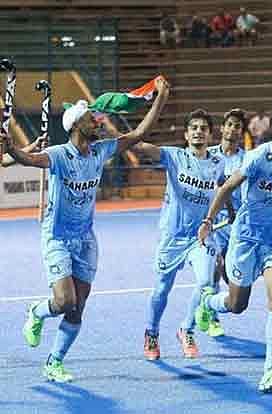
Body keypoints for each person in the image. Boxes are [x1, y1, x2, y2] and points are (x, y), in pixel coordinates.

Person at [14, 78, 170, 382]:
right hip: (57, 237)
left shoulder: (101, 150)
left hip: (85, 239)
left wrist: (160, 98)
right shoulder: (59, 155)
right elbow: (29, 159)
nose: (97, 122)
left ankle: (54, 361)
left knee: (78, 307)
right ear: (75, 125)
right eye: (90, 119)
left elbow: (138, 134)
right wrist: (11, 148)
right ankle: (37, 312)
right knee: (64, 301)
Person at [193, 103, 272, 393]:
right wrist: (207, 221)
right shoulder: (259, 157)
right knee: (237, 304)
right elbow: (226, 188)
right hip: (246, 237)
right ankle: (209, 302)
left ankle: (271, 370)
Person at [134, 108, 227, 361]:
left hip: (201, 236)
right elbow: (142, 147)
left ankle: (187, 329)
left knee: (206, 283)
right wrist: (118, 135)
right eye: (194, 128)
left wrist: (230, 211)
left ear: (210, 135)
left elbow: (224, 188)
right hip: (173, 236)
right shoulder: (174, 156)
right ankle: (152, 332)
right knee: (162, 289)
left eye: (203, 128)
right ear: (186, 134)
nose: (198, 132)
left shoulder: (218, 163)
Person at [205, 108, 247, 337]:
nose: (232, 129)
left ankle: (212, 302)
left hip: (237, 224)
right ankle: (211, 317)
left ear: (241, 132)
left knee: (230, 278)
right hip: (214, 223)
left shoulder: (246, 158)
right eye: (229, 124)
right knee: (214, 266)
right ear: (222, 128)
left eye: (237, 126)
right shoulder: (208, 154)